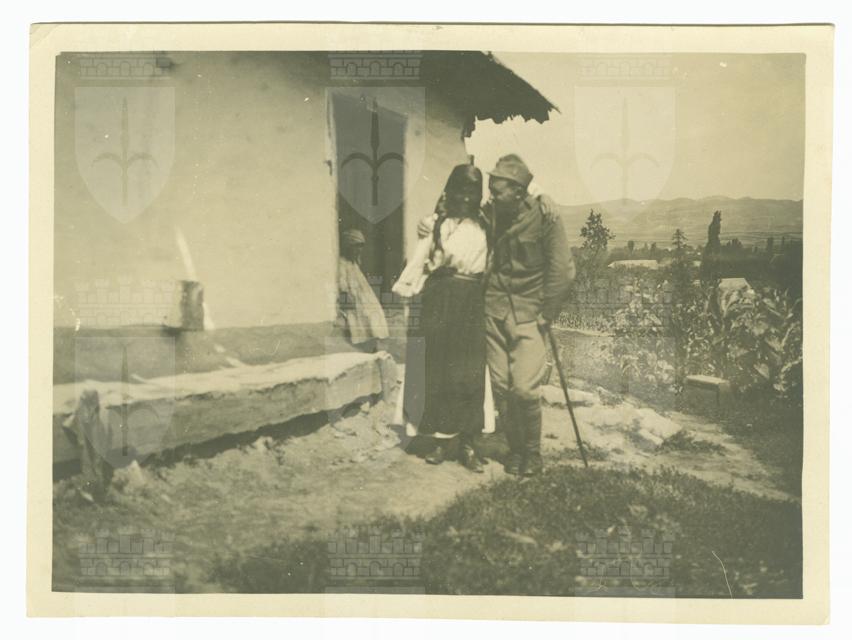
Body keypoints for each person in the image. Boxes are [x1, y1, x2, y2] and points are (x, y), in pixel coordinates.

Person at [417, 155, 574, 476]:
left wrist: (547, 314)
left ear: (518, 192)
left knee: (525, 389)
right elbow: (451, 210)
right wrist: (427, 221)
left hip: (529, 315)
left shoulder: (545, 216)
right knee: (501, 387)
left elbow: (563, 271)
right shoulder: (492, 213)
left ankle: (533, 453)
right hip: (492, 312)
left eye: (497, 191)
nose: (490, 197)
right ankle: (515, 452)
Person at [393, 164, 489, 473]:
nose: (466, 197)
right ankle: (439, 441)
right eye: (461, 190)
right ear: (450, 191)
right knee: (438, 370)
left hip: (471, 303)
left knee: (470, 371)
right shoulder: (436, 225)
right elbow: (420, 262)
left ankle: (469, 443)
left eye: (473, 191)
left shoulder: (487, 226)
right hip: (438, 300)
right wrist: (409, 293)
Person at [336, 228, 389, 351]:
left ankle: (374, 344)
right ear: (349, 246)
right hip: (353, 297)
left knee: (373, 314)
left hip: (363, 295)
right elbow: (343, 283)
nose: (359, 250)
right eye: (356, 246)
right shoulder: (342, 263)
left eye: (361, 247)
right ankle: (366, 346)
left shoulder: (354, 263)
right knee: (361, 319)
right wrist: (345, 295)